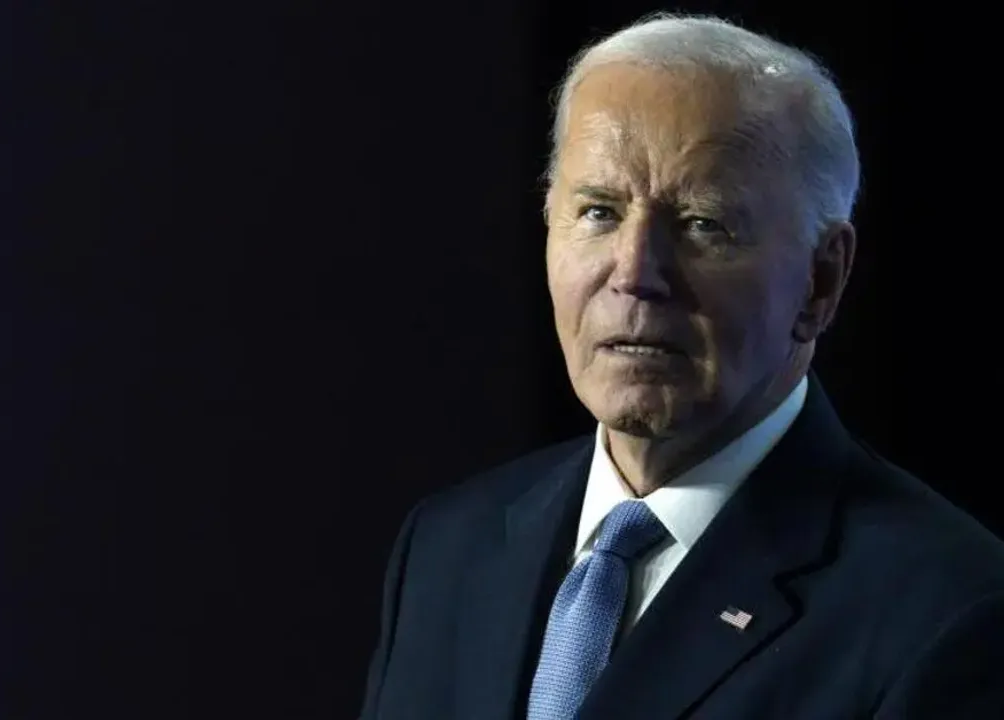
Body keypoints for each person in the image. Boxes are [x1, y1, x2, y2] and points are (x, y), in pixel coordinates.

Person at [357, 13, 1004, 720]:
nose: (634, 273)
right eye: (599, 212)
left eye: (703, 224)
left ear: (820, 281)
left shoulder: (951, 613)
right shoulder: (448, 548)